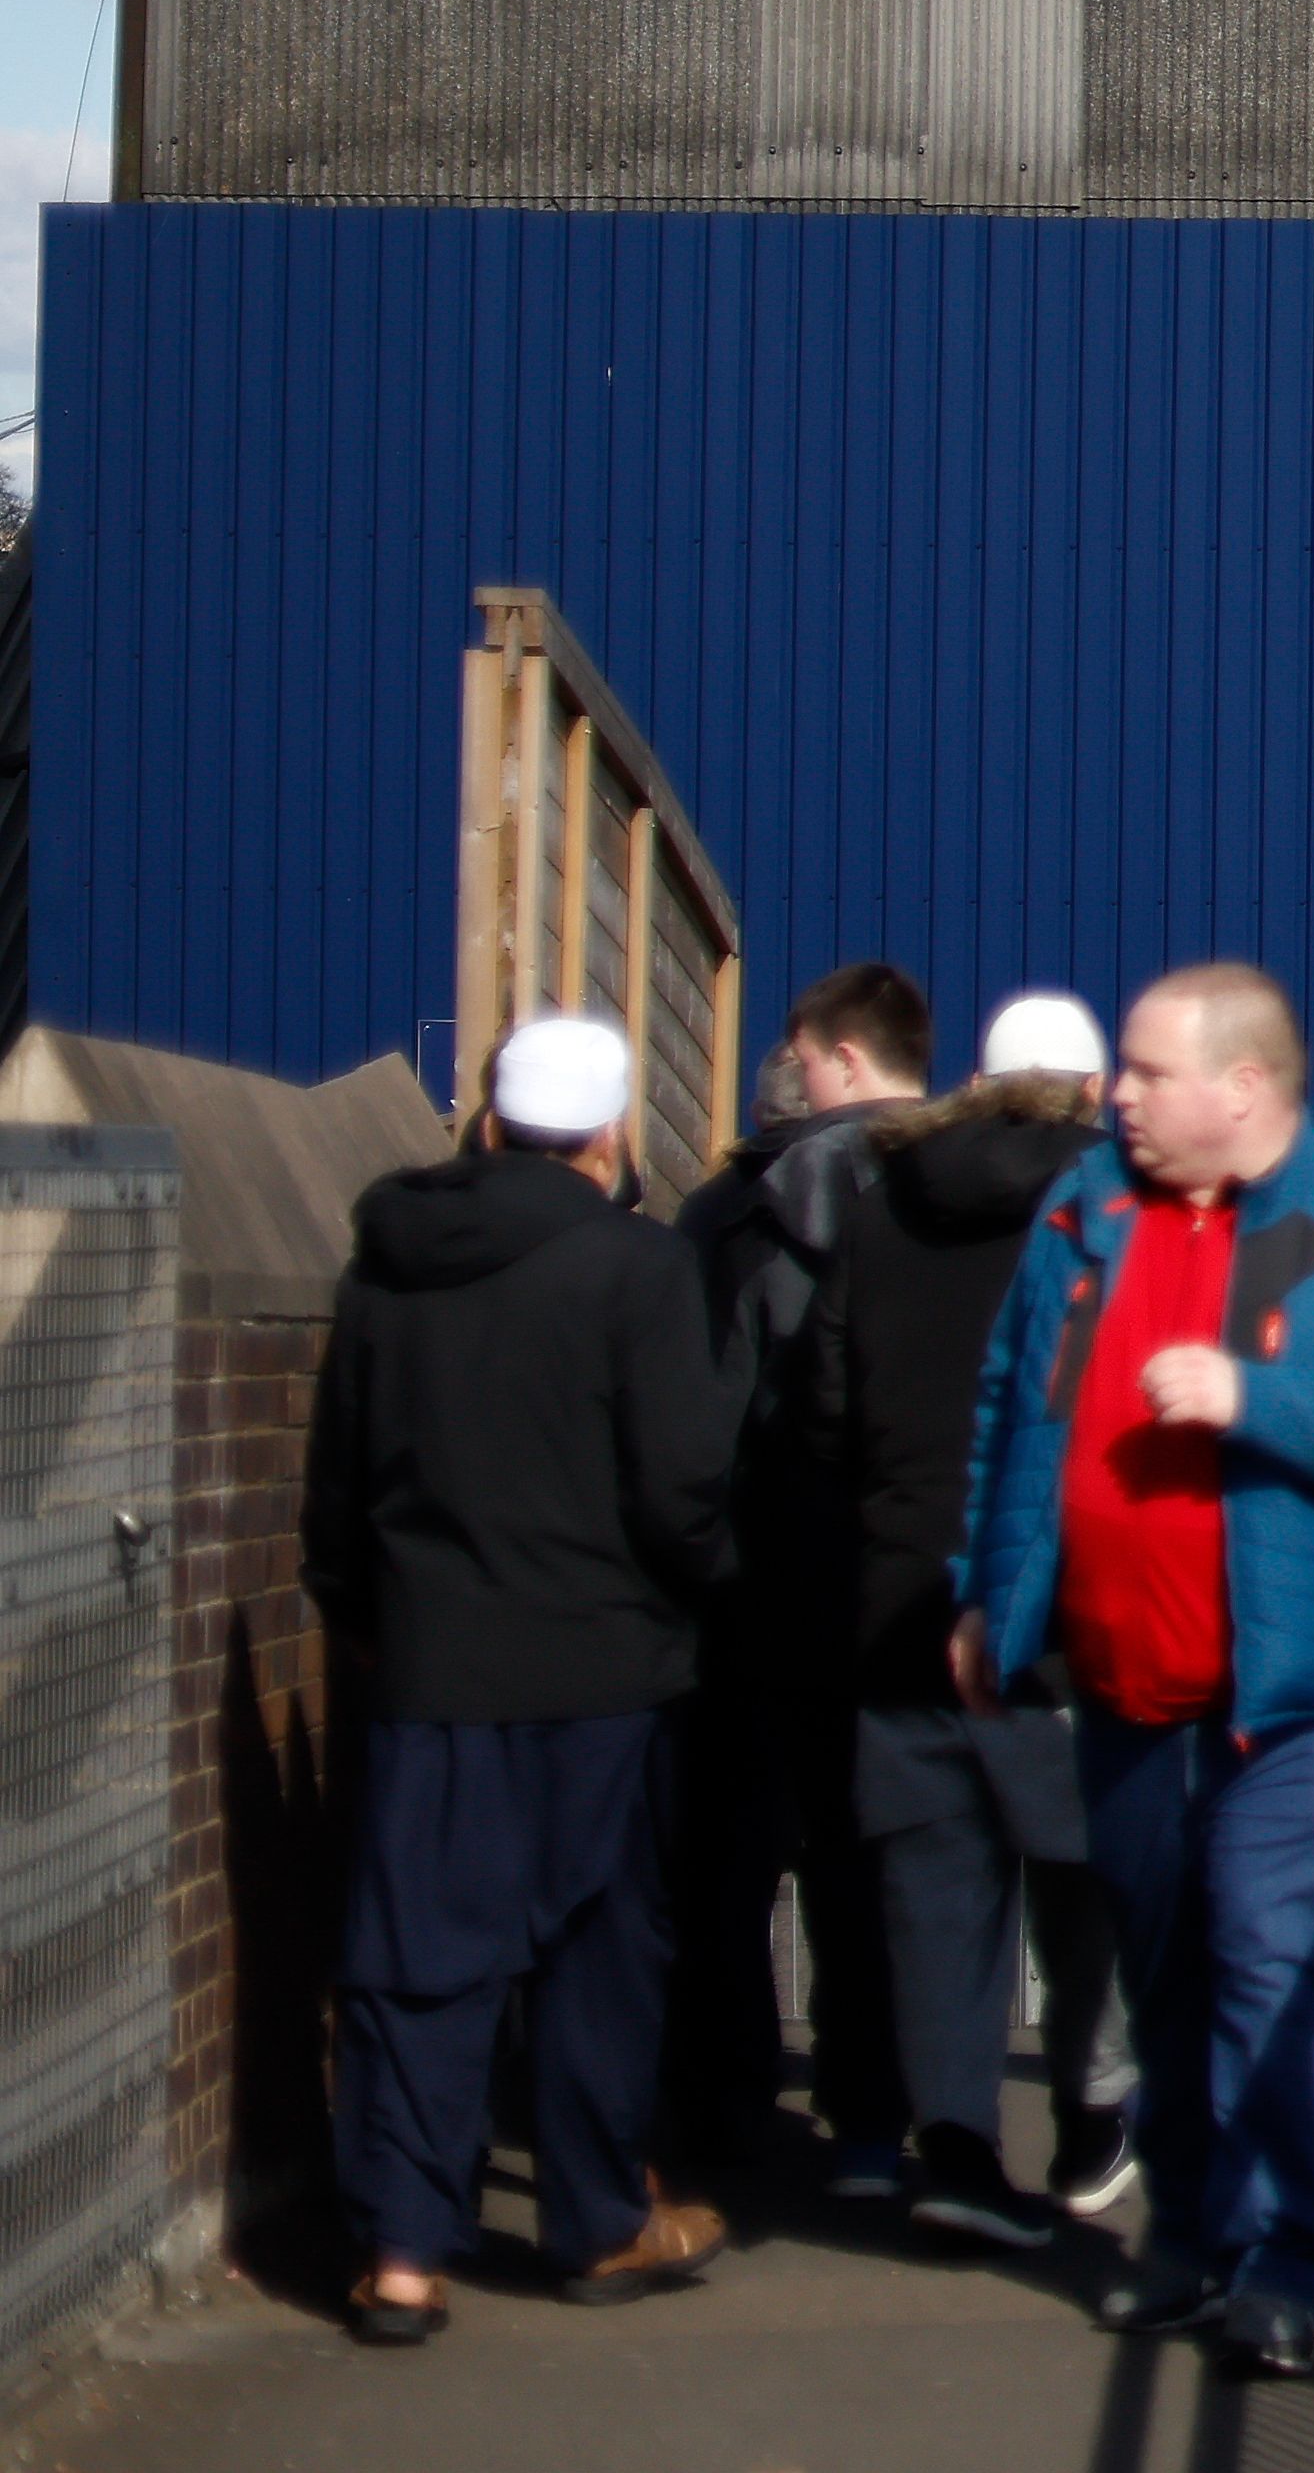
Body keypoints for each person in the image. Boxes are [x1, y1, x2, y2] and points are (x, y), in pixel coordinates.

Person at [954, 965, 1314, 2376]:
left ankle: (1285, 2256)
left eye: (1147, 1070)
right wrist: (987, 1595)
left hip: (1303, 1689)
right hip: (1124, 1679)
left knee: (1267, 1952)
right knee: (1166, 1967)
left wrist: (1255, 1396)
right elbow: (1013, 1406)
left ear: (1242, 1088)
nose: (1115, 1094)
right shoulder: (1085, 1215)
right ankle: (1188, 2235)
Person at [305, 1013, 740, 2345]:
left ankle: (401, 2253)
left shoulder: (386, 1266)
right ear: (609, 1138)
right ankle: (598, 2223)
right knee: (597, 1956)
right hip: (606, 1669)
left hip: (433, 1670)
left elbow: (338, 1483)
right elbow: (680, 1489)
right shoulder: (640, 1269)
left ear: (490, 1123)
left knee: (419, 1960)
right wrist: (707, 1591)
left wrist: (365, 1619)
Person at [812, 987, 1136, 2253]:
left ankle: (952, 2146)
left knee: (937, 1896)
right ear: (1095, 1091)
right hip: (1066, 1609)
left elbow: (829, 1409)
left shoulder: (879, 1207)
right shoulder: (1123, 1218)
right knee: (1092, 1881)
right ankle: (1093, 2119)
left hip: (903, 1597)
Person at [666, 964, 922, 2196]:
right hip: (895, 1574)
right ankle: (874, 2111)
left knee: (729, 1852)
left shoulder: (727, 1216)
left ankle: (729, 2094)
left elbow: (705, 1407)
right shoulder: (943, 1196)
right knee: (867, 1854)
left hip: (754, 1575)